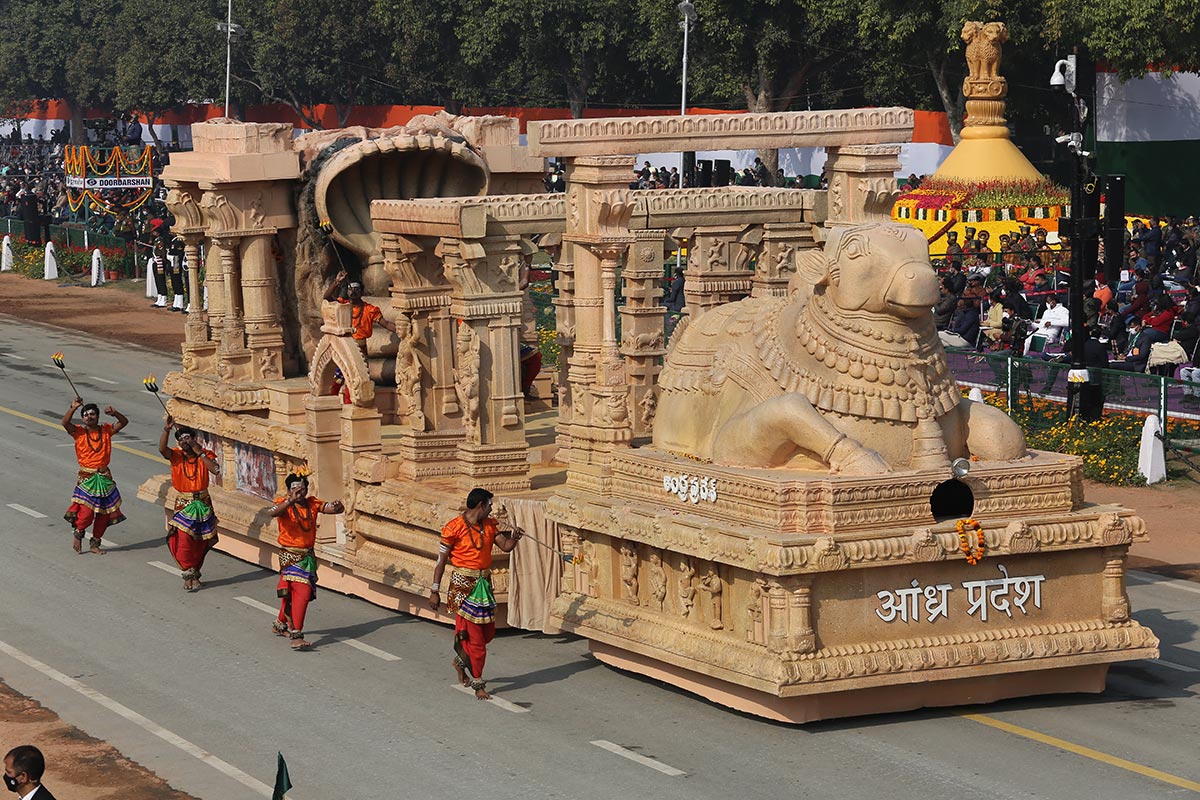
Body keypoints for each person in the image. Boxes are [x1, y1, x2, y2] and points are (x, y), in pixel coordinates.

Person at [428, 488, 523, 700]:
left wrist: (515, 538)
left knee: (487, 633)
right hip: (463, 586)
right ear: (481, 505)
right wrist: (434, 590)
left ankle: (461, 660)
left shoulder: (489, 525)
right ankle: (478, 682)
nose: (491, 509)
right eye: (490, 505)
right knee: (477, 639)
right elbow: (440, 562)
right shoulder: (453, 527)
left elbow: (506, 547)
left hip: (484, 584)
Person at [268, 471, 343, 650]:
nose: (299, 493)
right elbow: (272, 513)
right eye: (294, 490)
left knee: (291, 593)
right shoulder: (284, 504)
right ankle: (297, 635)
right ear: (288, 490)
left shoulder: (312, 504)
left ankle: (280, 624)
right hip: (290, 555)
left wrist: (338, 506)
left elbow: (331, 509)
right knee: (302, 592)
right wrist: (290, 501)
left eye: (302, 490)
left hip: (307, 556)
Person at [158, 417, 220, 591]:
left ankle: (195, 572)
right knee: (184, 540)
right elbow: (162, 449)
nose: (183, 441)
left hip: (203, 502)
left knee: (201, 542)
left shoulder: (204, 454)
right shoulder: (176, 456)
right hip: (184, 503)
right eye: (180, 439)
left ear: (193, 439)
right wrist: (166, 430)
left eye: (187, 438)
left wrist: (199, 452)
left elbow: (215, 470)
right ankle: (187, 573)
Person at [61, 397, 128, 554]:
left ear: (97, 416)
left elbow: (124, 422)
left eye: (92, 414)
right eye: (85, 415)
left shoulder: (106, 430)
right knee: (87, 513)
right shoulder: (78, 432)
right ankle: (79, 532)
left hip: (104, 477)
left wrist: (115, 413)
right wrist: (73, 408)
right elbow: (65, 423)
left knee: (104, 514)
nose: (88, 417)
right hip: (87, 478)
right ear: (82, 418)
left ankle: (95, 544)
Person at [323, 270, 395, 353]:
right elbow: (327, 298)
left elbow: (386, 324)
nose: (353, 292)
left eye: (356, 289)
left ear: (361, 292)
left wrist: (402, 331)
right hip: (344, 348)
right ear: (347, 292)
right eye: (350, 289)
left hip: (361, 349)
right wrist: (337, 281)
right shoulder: (342, 305)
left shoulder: (370, 309)